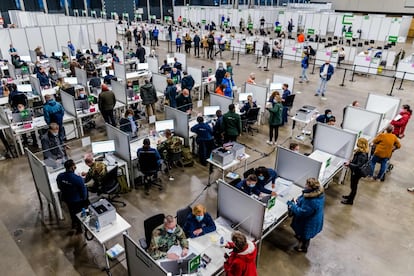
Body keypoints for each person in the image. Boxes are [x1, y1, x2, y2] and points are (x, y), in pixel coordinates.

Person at [287, 177, 324, 252]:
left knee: (305, 236)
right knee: (305, 235)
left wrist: (292, 206)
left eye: (307, 184)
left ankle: (302, 248)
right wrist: (299, 200)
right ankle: (302, 241)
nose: (305, 185)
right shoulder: (317, 194)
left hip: (309, 222)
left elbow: (302, 212)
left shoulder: (312, 201)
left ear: (311, 188)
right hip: (314, 218)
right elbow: (304, 197)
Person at [57, 159, 89, 233]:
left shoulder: (60, 176)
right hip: (77, 201)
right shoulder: (78, 179)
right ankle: (80, 229)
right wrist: (84, 200)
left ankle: (74, 224)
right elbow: (84, 194)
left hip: (67, 199)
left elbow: (59, 187)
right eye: (75, 166)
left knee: (71, 212)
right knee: (79, 213)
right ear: (72, 168)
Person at [341, 138, 370, 205]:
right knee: (352, 185)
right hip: (355, 171)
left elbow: (358, 165)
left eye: (358, 142)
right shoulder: (361, 151)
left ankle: (350, 201)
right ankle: (350, 196)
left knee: (354, 186)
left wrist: (349, 164)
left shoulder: (362, 154)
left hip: (357, 172)